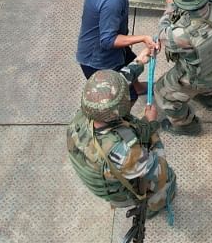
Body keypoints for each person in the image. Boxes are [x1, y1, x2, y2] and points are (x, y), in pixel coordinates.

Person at [77, 0, 192, 100]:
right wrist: (143, 38)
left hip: (113, 45)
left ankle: (137, 87)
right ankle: (126, 116)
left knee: (130, 59)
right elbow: (108, 40)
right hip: (98, 59)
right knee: (125, 97)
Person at [66, 69, 177, 236]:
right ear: (119, 110)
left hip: (100, 171)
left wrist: (139, 61)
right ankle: (154, 206)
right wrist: (152, 126)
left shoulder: (82, 116)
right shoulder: (125, 152)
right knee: (166, 179)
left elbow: (108, 90)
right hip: (120, 191)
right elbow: (158, 171)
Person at [146, 0, 212, 135]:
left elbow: (162, 34)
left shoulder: (182, 33)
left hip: (198, 76)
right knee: (208, 62)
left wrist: (170, 7)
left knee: (162, 93)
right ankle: (207, 97)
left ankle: (186, 125)